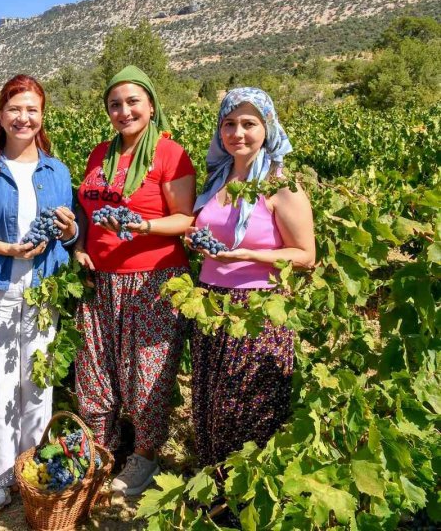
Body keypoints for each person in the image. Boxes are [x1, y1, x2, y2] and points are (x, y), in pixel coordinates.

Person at [0, 75, 79, 508]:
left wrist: (70, 230)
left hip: (43, 291)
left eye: (32, 109)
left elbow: (70, 232)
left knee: (36, 381)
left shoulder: (57, 170)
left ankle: (34, 466)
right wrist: (4, 247)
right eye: (15, 108)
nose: (23, 117)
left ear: (42, 116)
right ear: (1, 115)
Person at [73, 65, 196, 496]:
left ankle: (144, 457)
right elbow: (87, 210)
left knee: (146, 376)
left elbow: (185, 218)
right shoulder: (99, 154)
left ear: (151, 104)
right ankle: (98, 452)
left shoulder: (170, 153)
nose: (124, 111)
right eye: (115, 104)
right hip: (100, 281)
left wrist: (143, 226)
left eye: (132, 102)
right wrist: (81, 245)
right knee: (94, 371)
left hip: (153, 280)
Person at [187, 87, 315, 466]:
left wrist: (248, 255)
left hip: (257, 310)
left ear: (267, 127)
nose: (237, 133)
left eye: (249, 123)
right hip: (210, 303)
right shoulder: (217, 180)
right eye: (229, 124)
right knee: (211, 398)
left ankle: (245, 496)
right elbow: (210, 232)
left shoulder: (281, 185)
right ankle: (214, 483)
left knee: (248, 403)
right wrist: (196, 241)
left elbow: (306, 256)